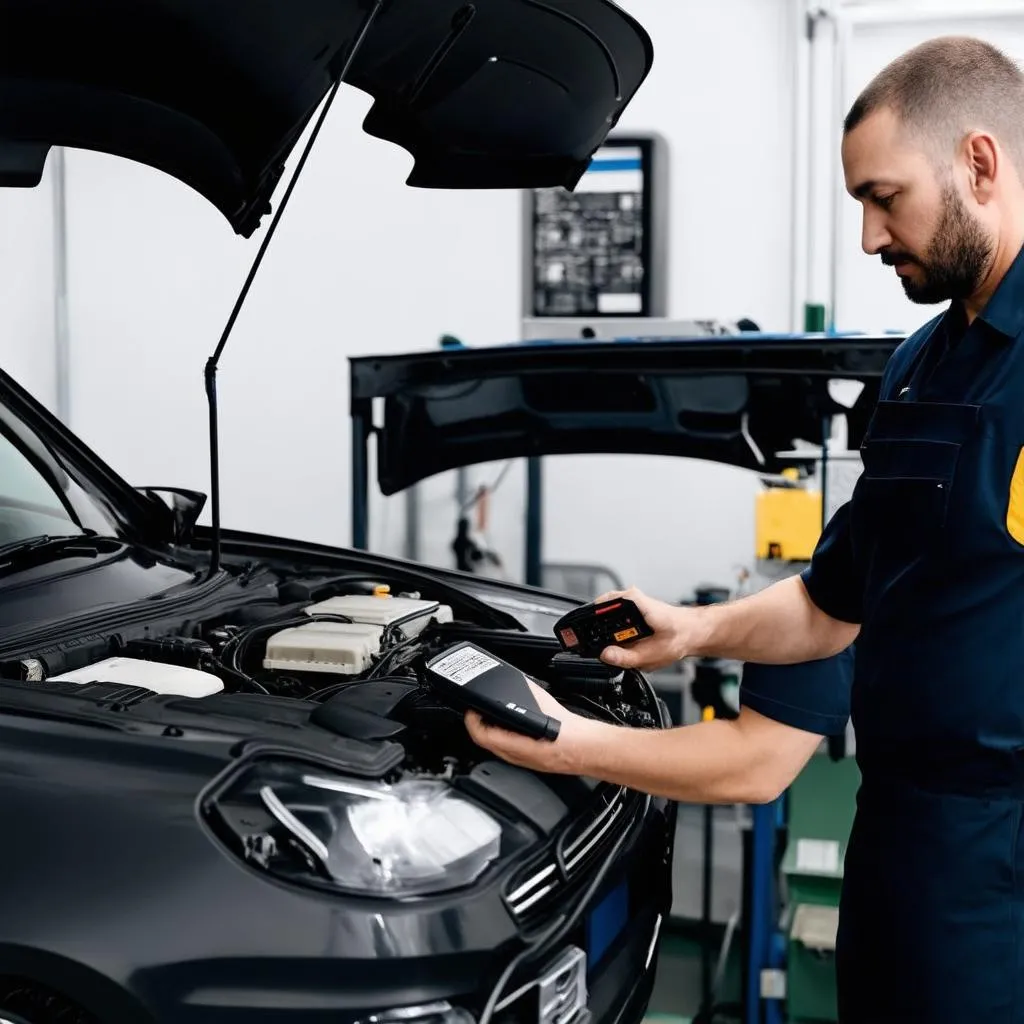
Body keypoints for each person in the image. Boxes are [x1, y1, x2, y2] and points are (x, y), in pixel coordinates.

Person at [466, 35, 1024, 1022]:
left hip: (1002, 863)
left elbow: (761, 755)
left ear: (979, 165)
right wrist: (692, 628)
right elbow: (828, 602)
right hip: (896, 844)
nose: (866, 236)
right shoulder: (919, 368)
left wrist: (568, 745)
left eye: (883, 197)